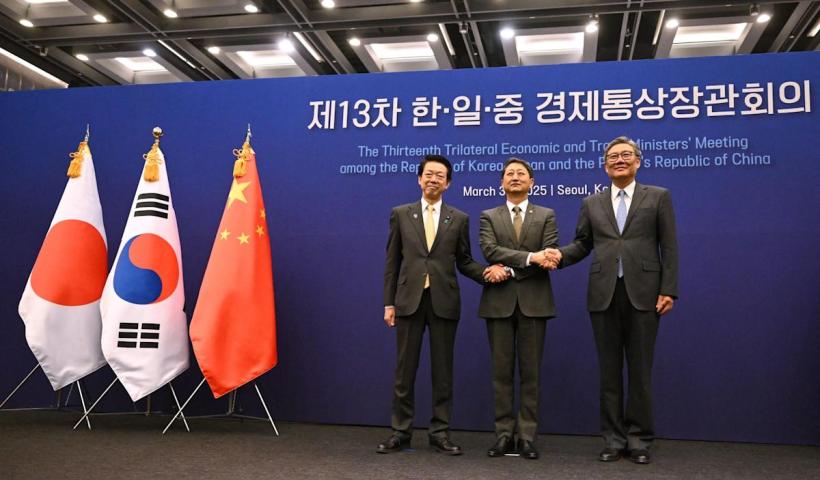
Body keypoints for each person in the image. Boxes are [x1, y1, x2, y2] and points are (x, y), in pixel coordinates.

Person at [544, 136, 678, 465]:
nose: (619, 160)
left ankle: (640, 439)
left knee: (640, 371)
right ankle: (613, 440)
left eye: (626, 155)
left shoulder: (658, 196)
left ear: (637, 162)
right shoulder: (592, 203)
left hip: (645, 293)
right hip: (603, 293)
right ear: (605, 166)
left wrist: (669, 289)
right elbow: (582, 244)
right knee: (609, 372)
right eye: (613, 157)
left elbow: (669, 246)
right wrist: (559, 255)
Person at [379, 155, 508, 455]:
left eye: (440, 175)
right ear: (419, 179)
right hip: (408, 301)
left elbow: (464, 261)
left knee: (443, 372)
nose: (433, 179)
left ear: (448, 183)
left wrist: (487, 273)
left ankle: (440, 432)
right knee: (404, 372)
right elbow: (392, 262)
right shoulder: (401, 214)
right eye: (429, 174)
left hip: (444, 302)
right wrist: (388, 303)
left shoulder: (459, 218)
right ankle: (400, 431)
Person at [478, 158, 558, 460]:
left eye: (521, 173)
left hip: (535, 303)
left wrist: (513, 268)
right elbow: (490, 250)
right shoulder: (488, 216)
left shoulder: (547, 215)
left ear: (531, 182)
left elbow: (548, 256)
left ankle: (526, 437)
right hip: (498, 303)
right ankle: (503, 435)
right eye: (509, 174)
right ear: (501, 182)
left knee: (530, 374)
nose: (515, 177)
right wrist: (529, 258)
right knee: (501, 374)